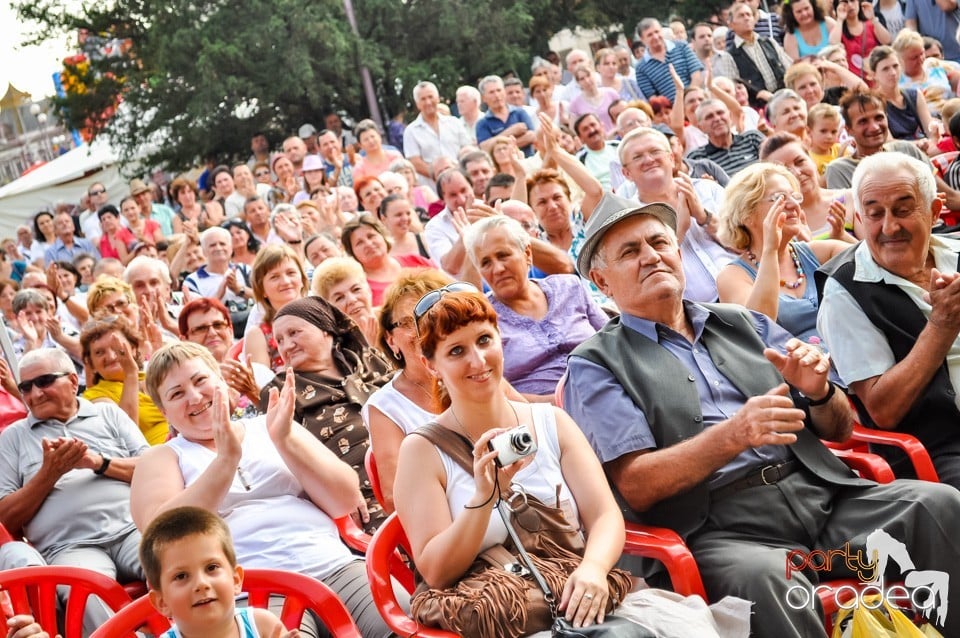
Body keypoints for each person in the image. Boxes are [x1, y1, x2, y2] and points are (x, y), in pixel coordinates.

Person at [564, 192, 960, 638]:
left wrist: (818, 393)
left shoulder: (741, 322)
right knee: (776, 581)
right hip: (726, 530)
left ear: (677, 252)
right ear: (601, 280)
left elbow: (842, 428)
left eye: (658, 243)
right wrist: (734, 435)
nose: (651, 257)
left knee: (938, 505)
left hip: (822, 503)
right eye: (630, 252)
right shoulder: (595, 363)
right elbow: (636, 484)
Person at [394, 285, 640, 635]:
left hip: (579, 596)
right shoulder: (421, 450)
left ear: (500, 340)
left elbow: (603, 515)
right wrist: (483, 499)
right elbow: (435, 571)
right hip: (502, 616)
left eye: (483, 340)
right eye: (456, 351)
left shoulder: (551, 421)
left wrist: (595, 568)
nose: (477, 361)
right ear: (430, 365)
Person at [132, 341, 400, 637]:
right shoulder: (162, 457)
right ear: (163, 410)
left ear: (221, 381)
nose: (194, 397)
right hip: (252, 591)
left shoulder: (270, 425)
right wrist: (225, 462)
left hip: (332, 565)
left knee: (402, 625)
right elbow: (161, 533)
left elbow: (345, 499)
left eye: (200, 381)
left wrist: (285, 440)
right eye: (177, 393)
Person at [817, 152, 960, 486]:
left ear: (935, 211)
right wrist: (941, 325)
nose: (889, 227)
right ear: (859, 218)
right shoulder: (845, 292)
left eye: (903, 209)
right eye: (874, 213)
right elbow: (884, 409)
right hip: (942, 447)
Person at [0, 348, 146, 590]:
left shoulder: (108, 414)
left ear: (72, 380)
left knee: (177, 562)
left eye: (44, 381)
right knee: (84, 592)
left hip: (133, 530)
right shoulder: (12, 437)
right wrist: (49, 474)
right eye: (25, 387)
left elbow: (154, 469)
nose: (35, 393)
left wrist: (99, 463)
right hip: (70, 547)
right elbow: (4, 519)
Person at [260, 296, 393, 534]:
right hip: (363, 500)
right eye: (279, 340)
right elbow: (293, 465)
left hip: (417, 470)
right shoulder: (281, 392)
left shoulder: (370, 361)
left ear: (325, 331)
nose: (286, 345)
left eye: (294, 333)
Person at [464, 216, 607, 401]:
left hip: (608, 391)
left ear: (527, 254)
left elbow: (613, 339)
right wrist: (562, 404)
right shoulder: (482, 320)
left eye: (503, 255)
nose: (497, 269)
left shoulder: (568, 287)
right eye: (486, 263)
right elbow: (493, 393)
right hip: (545, 418)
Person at [716, 162, 849, 342]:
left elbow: (875, 262)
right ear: (746, 214)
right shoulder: (732, 276)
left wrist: (841, 235)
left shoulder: (819, 252)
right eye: (779, 198)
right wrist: (770, 250)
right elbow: (758, 329)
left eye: (794, 196)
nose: (794, 204)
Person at [362, 269, 453, 513]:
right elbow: (394, 496)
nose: (422, 329)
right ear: (391, 340)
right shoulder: (385, 406)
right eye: (408, 322)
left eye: (431, 315)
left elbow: (529, 423)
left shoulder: (475, 369)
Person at [139, 506, 295, 638]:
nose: (201, 583)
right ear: (162, 602)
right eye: (181, 576)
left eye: (211, 567)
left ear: (235, 580)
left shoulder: (263, 627)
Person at [81, 317, 169, 446]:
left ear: (133, 348)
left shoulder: (151, 377)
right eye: (99, 352)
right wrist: (130, 374)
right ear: (91, 364)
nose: (111, 356)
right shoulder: (94, 397)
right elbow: (126, 436)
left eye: (116, 347)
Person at [759, 132, 860, 238]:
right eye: (785, 170)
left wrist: (841, 236)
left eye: (800, 162)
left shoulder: (850, 199)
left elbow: (872, 253)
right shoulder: (778, 224)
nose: (797, 173)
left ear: (812, 161)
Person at [341, 214, 433, 306]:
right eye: (359, 243)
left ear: (383, 236)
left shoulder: (414, 260)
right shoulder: (361, 288)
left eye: (371, 236)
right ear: (352, 252)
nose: (368, 243)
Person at [244, 244, 308, 373]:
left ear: (302, 279)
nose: (285, 281)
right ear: (262, 289)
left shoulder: (323, 315)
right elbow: (261, 386)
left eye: (291, 273)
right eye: (274, 277)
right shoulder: (258, 334)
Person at [404, 81, 472, 183]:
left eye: (430, 97)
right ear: (417, 104)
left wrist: (457, 172)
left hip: (462, 180)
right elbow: (415, 162)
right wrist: (440, 176)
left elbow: (467, 149)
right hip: (432, 187)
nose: (428, 102)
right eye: (423, 99)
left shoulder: (454, 123)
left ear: (438, 98)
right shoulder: (411, 131)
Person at [310, 257, 380, 347]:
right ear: (329, 310)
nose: (352, 300)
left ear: (368, 289)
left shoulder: (392, 318)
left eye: (356, 289)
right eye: (339, 298)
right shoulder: (335, 346)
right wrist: (369, 347)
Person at [868, 45, 933, 140]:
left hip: (925, 147)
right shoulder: (873, 103)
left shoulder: (915, 95)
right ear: (874, 75)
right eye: (885, 69)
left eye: (895, 66)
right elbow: (889, 143)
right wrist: (918, 145)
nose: (893, 72)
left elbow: (930, 130)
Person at [686, 99, 765, 175]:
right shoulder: (696, 157)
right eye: (709, 117)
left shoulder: (752, 138)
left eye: (720, 113)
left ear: (730, 116)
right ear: (701, 128)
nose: (717, 119)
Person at [634, 18, 704, 103]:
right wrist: (678, 108)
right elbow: (653, 98)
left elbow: (697, 75)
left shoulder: (682, 46)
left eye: (657, 32)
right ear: (642, 39)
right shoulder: (641, 68)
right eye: (650, 35)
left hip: (698, 102)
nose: (655, 37)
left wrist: (689, 100)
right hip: (673, 112)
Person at [833, 0, 890, 77]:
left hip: (875, 77)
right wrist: (840, 19)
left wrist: (873, 18)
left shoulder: (870, 24)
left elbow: (886, 41)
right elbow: (833, 45)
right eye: (844, 2)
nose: (850, 5)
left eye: (852, 0)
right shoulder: (839, 30)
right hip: (854, 82)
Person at [568, 64, 621, 135]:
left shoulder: (611, 93)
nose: (587, 80)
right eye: (582, 79)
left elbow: (623, 115)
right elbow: (573, 131)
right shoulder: (575, 104)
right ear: (578, 83)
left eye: (588, 75)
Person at [378, 193, 431, 259]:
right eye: (398, 215)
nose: (405, 218)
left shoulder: (424, 239)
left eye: (408, 213)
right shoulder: (382, 251)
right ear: (383, 219)